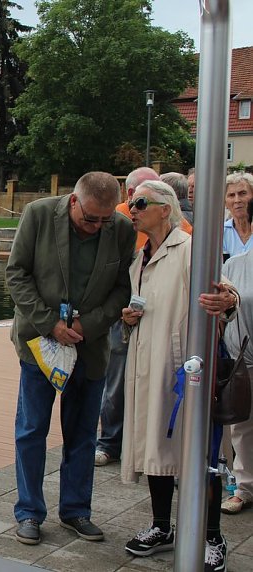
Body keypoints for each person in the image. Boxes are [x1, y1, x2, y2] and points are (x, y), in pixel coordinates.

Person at [6, 171, 136, 545]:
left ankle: (76, 510)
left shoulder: (121, 229)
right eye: (89, 218)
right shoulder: (39, 215)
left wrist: (88, 325)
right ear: (74, 202)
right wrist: (50, 324)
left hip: (90, 347)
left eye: (104, 220)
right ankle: (29, 512)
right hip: (40, 346)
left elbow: (121, 290)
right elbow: (16, 275)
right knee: (31, 431)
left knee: (81, 434)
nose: (96, 226)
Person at [120, 180, 236, 571]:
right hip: (147, 366)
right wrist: (127, 318)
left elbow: (224, 291)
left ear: (165, 208)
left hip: (185, 372)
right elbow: (140, 309)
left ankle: (213, 537)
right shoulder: (140, 257)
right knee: (155, 445)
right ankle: (162, 527)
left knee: (198, 452)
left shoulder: (191, 250)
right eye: (130, 202)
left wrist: (229, 300)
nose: (131, 209)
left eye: (139, 203)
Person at [95, 167, 163, 468]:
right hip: (123, 314)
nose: (137, 208)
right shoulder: (116, 221)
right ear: (130, 194)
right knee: (117, 378)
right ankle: (110, 441)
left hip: (157, 316)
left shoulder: (176, 231)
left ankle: (143, 444)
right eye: (138, 199)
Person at [221, 198, 253, 517]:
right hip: (245, 357)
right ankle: (244, 487)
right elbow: (226, 312)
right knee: (242, 426)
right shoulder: (235, 265)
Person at [223, 172, 253, 259]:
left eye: (242, 193)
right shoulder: (220, 234)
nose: (237, 200)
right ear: (225, 202)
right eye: (231, 195)